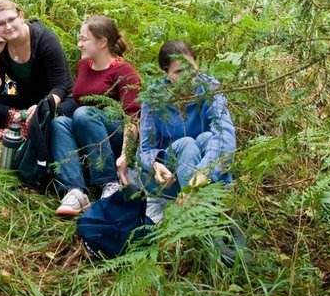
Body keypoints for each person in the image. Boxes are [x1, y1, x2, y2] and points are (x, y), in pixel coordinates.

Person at [121, 40, 236, 223]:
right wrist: (154, 165)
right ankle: (202, 219)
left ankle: (209, 211)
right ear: (166, 73)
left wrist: (202, 173)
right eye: (179, 72)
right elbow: (144, 149)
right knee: (187, 144)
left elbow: (225, 135)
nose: (189, 76)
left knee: (208, 138)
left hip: (205, 175)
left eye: (191, 68)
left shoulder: (210, 87)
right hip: (170, 177)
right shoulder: (154, 96)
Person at [50, 16, 142, 216]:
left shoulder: (124, 71)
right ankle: (75, 191)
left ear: (102, 42)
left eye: (84, 39)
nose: (79, 44)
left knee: (83, 113)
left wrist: (125, 156)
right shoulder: (84, 66)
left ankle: (109, 183)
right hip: (87, 133)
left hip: (116, 139)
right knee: (59, 123)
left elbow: (133, 118)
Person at [0, 0, 73, 135]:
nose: (8, 27)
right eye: (1, 24)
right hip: (27, 100)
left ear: (20, 16)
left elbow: (60, 87)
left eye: (11, 19)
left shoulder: (45, 40)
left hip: (57, 100)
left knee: (52, 117)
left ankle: (17, 129)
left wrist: (43, 107)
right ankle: (26, 127)